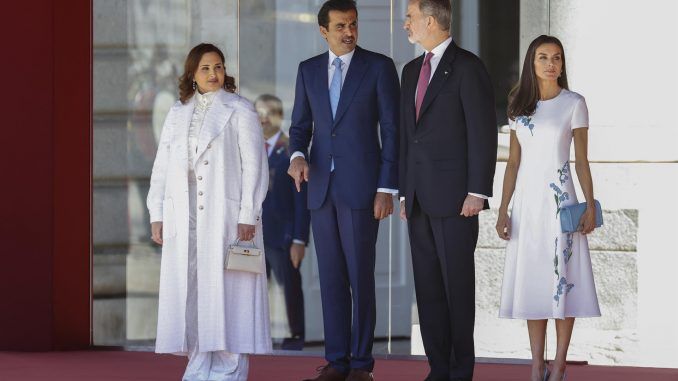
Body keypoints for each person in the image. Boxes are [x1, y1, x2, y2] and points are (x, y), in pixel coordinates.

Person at [287, 0, 400, 379]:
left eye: (352, 24)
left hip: (363, 188)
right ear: (323, 31)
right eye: (340, 26)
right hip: (320, 188)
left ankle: (361, 364)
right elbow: (300, 127)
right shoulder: (308, 71)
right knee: (332, 277)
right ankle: (336, 362)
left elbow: (392, 130)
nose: (349, 31)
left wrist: (387, 187)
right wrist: (298, 155)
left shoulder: (379, 67)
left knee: (360, 276)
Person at [147, 43, 271, 381]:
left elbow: (255, 167)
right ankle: (199, 365)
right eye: (205, 68)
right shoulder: (177, 112)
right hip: (184, 216)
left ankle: (230, 369)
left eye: (218, 66)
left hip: (227, 216)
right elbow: (161, 166)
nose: (214, 73)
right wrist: (156, 212)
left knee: (229, 293)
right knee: (194, 292)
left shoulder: (240, 109)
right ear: (192, 73)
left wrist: (248, 213)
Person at [399, 0, 497, 380]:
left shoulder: (468, 67)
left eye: (409, 17)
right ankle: (438, 368)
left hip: (458, 200)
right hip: (420, 199)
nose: (405, 23)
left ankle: (460, 371)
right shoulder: (409, 71)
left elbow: (482, 133)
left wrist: (478, 191)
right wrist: (406, 193)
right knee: (428, 289)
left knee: (457, 288)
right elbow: (411, 139)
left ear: (429, 20)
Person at [496, 35, 601, 381]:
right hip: (527, 203)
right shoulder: (517, 104)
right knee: (534, 281)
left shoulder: (575, 103)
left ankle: (558, 365)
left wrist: (589, 203)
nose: (551, 64)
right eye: (543, 57)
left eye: (556, 58)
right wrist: (502, 209)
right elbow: (512, 163)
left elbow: (582, 161)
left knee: (563, 280)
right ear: (532, 62)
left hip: (561, 202)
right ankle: (535, 364)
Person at [255, 94, 311, 351]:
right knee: (254, 290)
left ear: (278, 116)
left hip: (283, 236)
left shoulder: (291, 151)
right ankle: (256, 335)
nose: (263, 118)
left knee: (289, 287)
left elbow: (302, 200)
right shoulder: (250, 147)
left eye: (269, 112)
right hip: (253, 235)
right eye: (259, 113)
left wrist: (299, 239)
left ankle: (295, 336)